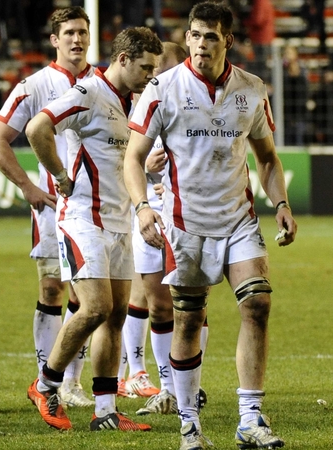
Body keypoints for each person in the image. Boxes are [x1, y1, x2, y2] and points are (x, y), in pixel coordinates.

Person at [124, 3, 295, 448]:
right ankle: (189, 425)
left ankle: (250, 420)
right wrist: (142, 207)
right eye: (195, 35)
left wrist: (280, 202)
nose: (201, 45)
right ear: (188, 37)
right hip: (185, 225)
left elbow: (267, 159)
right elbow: (133, 158)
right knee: (188, 322)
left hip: (238, 220)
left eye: (211, 37)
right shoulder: (162, 88)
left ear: (228, 41)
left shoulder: (252, 89)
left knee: (257, 304)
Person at [25, 26, 161, 432]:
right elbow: (37, 128)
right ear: (123, 59)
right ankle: (45, 385)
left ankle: (105, 412)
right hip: (83, 218)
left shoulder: (133, 100)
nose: (150, 76)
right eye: (145, 68)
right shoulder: (88, 92)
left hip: (119, 221)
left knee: (116, 316)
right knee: (96, 307)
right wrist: (59, 175)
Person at [0, 6, 96, 409]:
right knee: (51, 287)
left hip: (96, 205)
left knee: (88, 296)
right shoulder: (34, 86)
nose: (77, 39)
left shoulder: (103, 83)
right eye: (69, 33)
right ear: (54, 40)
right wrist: (27, 186)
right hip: (52, 205)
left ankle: (72, 383)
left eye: (82, 32)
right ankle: (45, 380)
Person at [119, 42, 211, 415]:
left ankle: (191, 386)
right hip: (146, 214)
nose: (152, 76)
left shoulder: (196, 105)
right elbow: (123, 161)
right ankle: (167, 389)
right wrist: (145, 175)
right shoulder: (133, 105)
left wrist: (175, 179)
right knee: (157, 304)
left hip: (187, 214)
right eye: (150, 70)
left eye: (159, 69)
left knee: (192, 305)